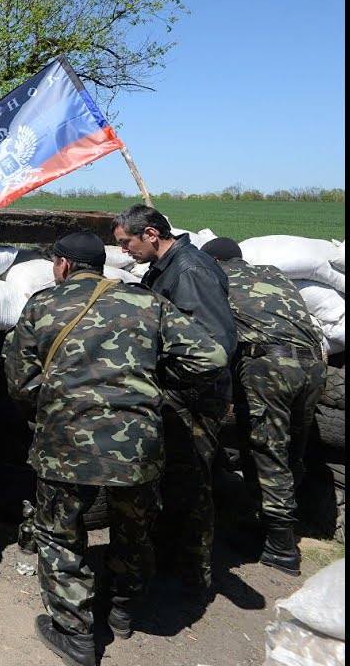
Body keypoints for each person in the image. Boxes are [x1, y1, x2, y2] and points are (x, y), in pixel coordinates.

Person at [5, 232, 227, 666]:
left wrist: (51, 404)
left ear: (64, 265)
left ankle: (75, 633)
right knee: (133, 528)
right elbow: (211, 356)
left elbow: (19, 382)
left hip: (65, 442)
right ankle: (123, 611)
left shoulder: (41, 304)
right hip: (138, 444)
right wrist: (155, 386)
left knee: (60, 535)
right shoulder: (147, 302)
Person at [112, 205, 237, 597]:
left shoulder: (189, 272)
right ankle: (171, 561)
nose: (124, 251)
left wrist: (166, 384)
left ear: (150, 234)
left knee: (191, 485)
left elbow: (215, 347)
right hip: (182, 393)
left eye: (126, 242)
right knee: (176, 480)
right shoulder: (168, 268)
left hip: (195, 397)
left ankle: (193, 576)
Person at [201, 236, 327, 575]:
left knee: (266, 451)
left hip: (270, 366)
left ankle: (281, 548)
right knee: (292, 451)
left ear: (212, 263)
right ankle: (277, 525)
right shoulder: (274, 273)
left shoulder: (217, 280)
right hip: (314, 364)